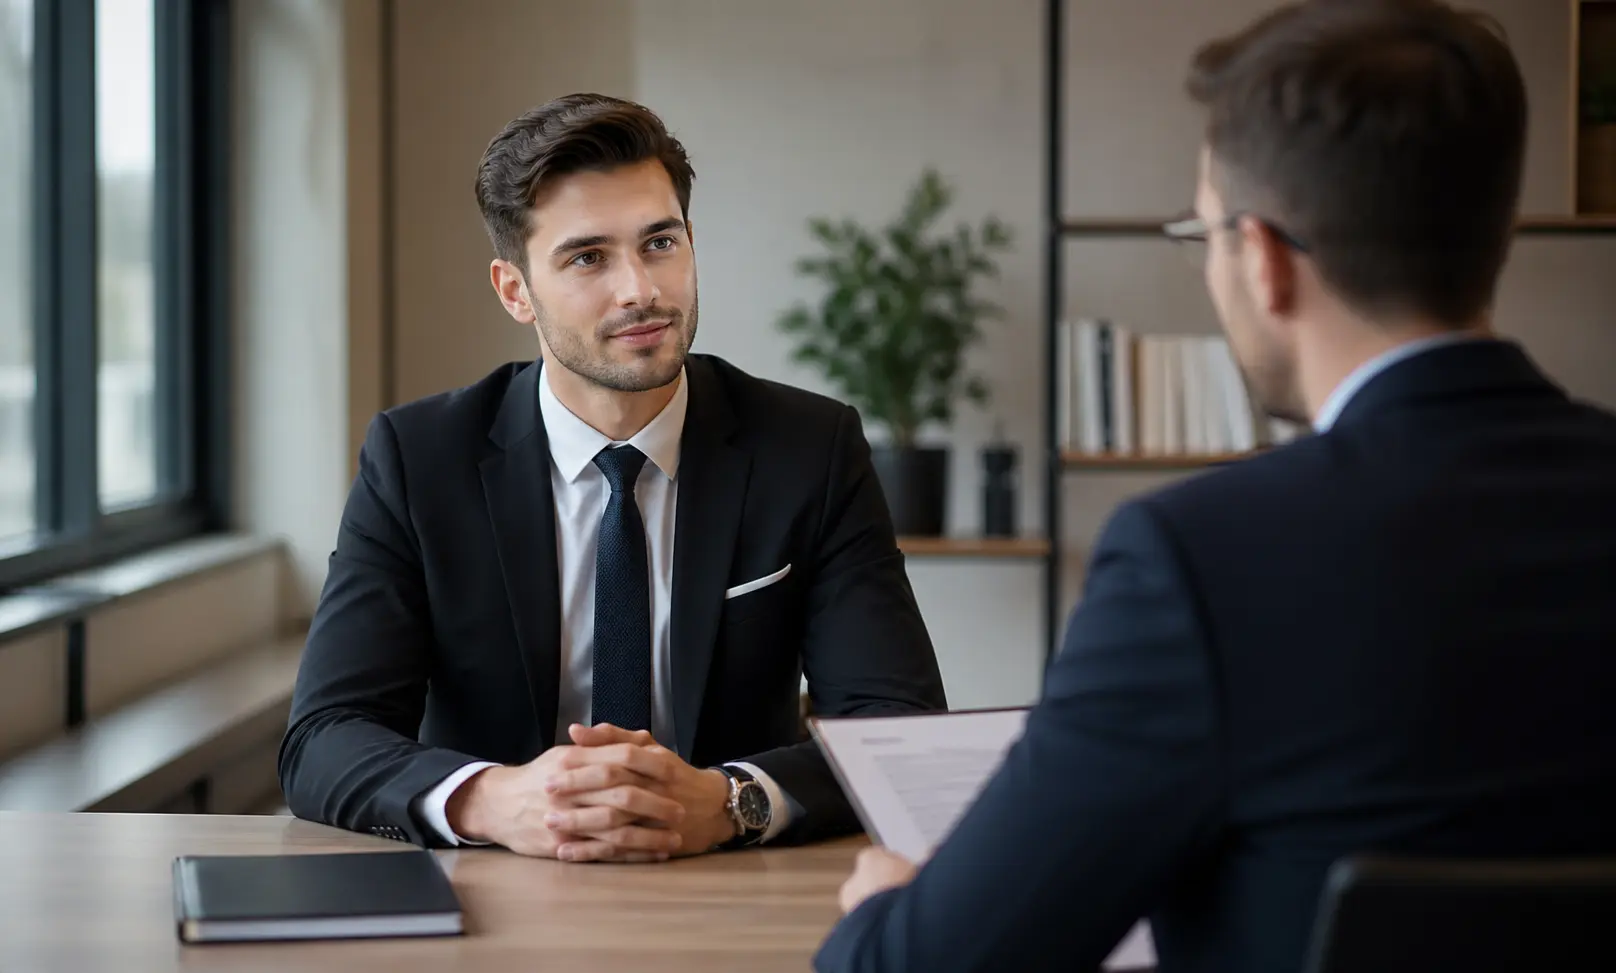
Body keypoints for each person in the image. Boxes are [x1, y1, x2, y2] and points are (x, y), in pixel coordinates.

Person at [815, 1, 1616, 970]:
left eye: (1201, 238)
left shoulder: (1196, 561)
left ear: (1265, 260)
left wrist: (887, 913)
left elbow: (932, 964)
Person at [279, 93, 947, 862]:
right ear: (514, 290)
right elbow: (323, 738)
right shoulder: (419, 458)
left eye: (660, 242)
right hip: (495, 891)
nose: (640, 289)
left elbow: (896, 728)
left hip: (730, 885)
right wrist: (497, 798)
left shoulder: (811, 448)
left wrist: (734, 800)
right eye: (588, 257)